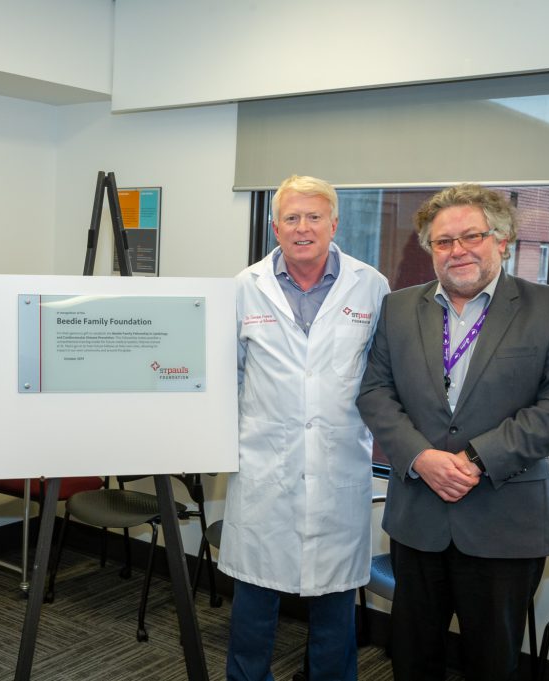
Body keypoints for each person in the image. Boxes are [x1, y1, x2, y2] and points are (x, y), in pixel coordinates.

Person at [356, 184, 549, 681]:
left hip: (504, 525)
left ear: (501, 240)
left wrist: (476, 460)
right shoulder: (399, 309)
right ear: (430, 249)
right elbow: (375, 393)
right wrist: (421, 457)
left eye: (472, 236)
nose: (457, 250)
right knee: (412, 659)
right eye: (443, 241)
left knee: (491, 664)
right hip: (417, 521)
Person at [219, 175, 389, 681]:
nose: (303, 228)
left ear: (334, 223)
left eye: (314, 216)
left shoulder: (371, 286)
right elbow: (230, 375)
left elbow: (382, 377)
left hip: (339, 466)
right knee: (253, 600)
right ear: (275, 227)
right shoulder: (244, 287)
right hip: (263, 466)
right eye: (291, 218)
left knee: (336, 603)